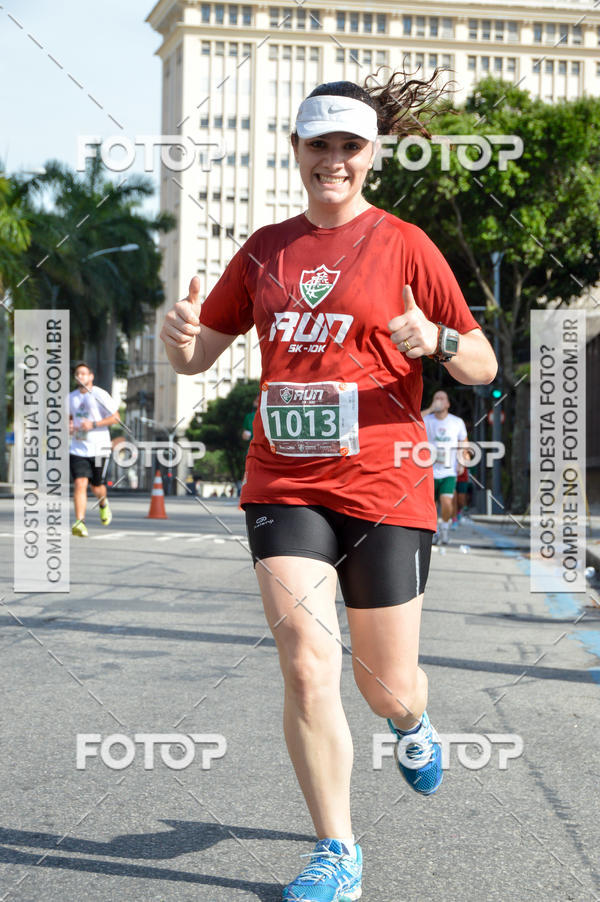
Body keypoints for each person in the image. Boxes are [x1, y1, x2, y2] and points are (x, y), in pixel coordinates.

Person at [160, 73, 497, 902]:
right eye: (320, 145)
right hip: (284, 481)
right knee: (308, 664)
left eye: (350, 146)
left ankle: (412, 722)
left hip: (386, 484)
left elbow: (483, 364)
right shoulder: (266, 250)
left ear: (371, 155)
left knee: (384, 682)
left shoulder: (407, 244)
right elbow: (200, 356)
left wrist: (439, 335)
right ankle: (336, 849)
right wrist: (177, 340)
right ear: (297, 151)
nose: (334, 161)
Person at [68, 362, 119, 537]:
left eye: (83, 373)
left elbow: (116, 418)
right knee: (80, 483)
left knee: (96, 486)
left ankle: (103, 504)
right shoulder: (71, 398)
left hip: (100, 448)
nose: (80, 376)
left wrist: (93, 424)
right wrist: (69, 426)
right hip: (77, 448)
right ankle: (80, 522)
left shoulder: (99, 394)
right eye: (77, 374)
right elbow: (68, 418)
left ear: (91, 377)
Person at [422, 390, 469, 545]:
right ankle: (435, 531)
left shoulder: (456, 422)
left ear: (448, 404)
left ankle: (445, 527)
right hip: (429, 469)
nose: (439, 400)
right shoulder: (427, 419)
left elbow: (464, 442)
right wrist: (430, 409)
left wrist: (462, 460)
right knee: (432, 504)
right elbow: (413, 422)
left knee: (446, 501)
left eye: (442, 398)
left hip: (449, 469)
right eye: (436, 398)